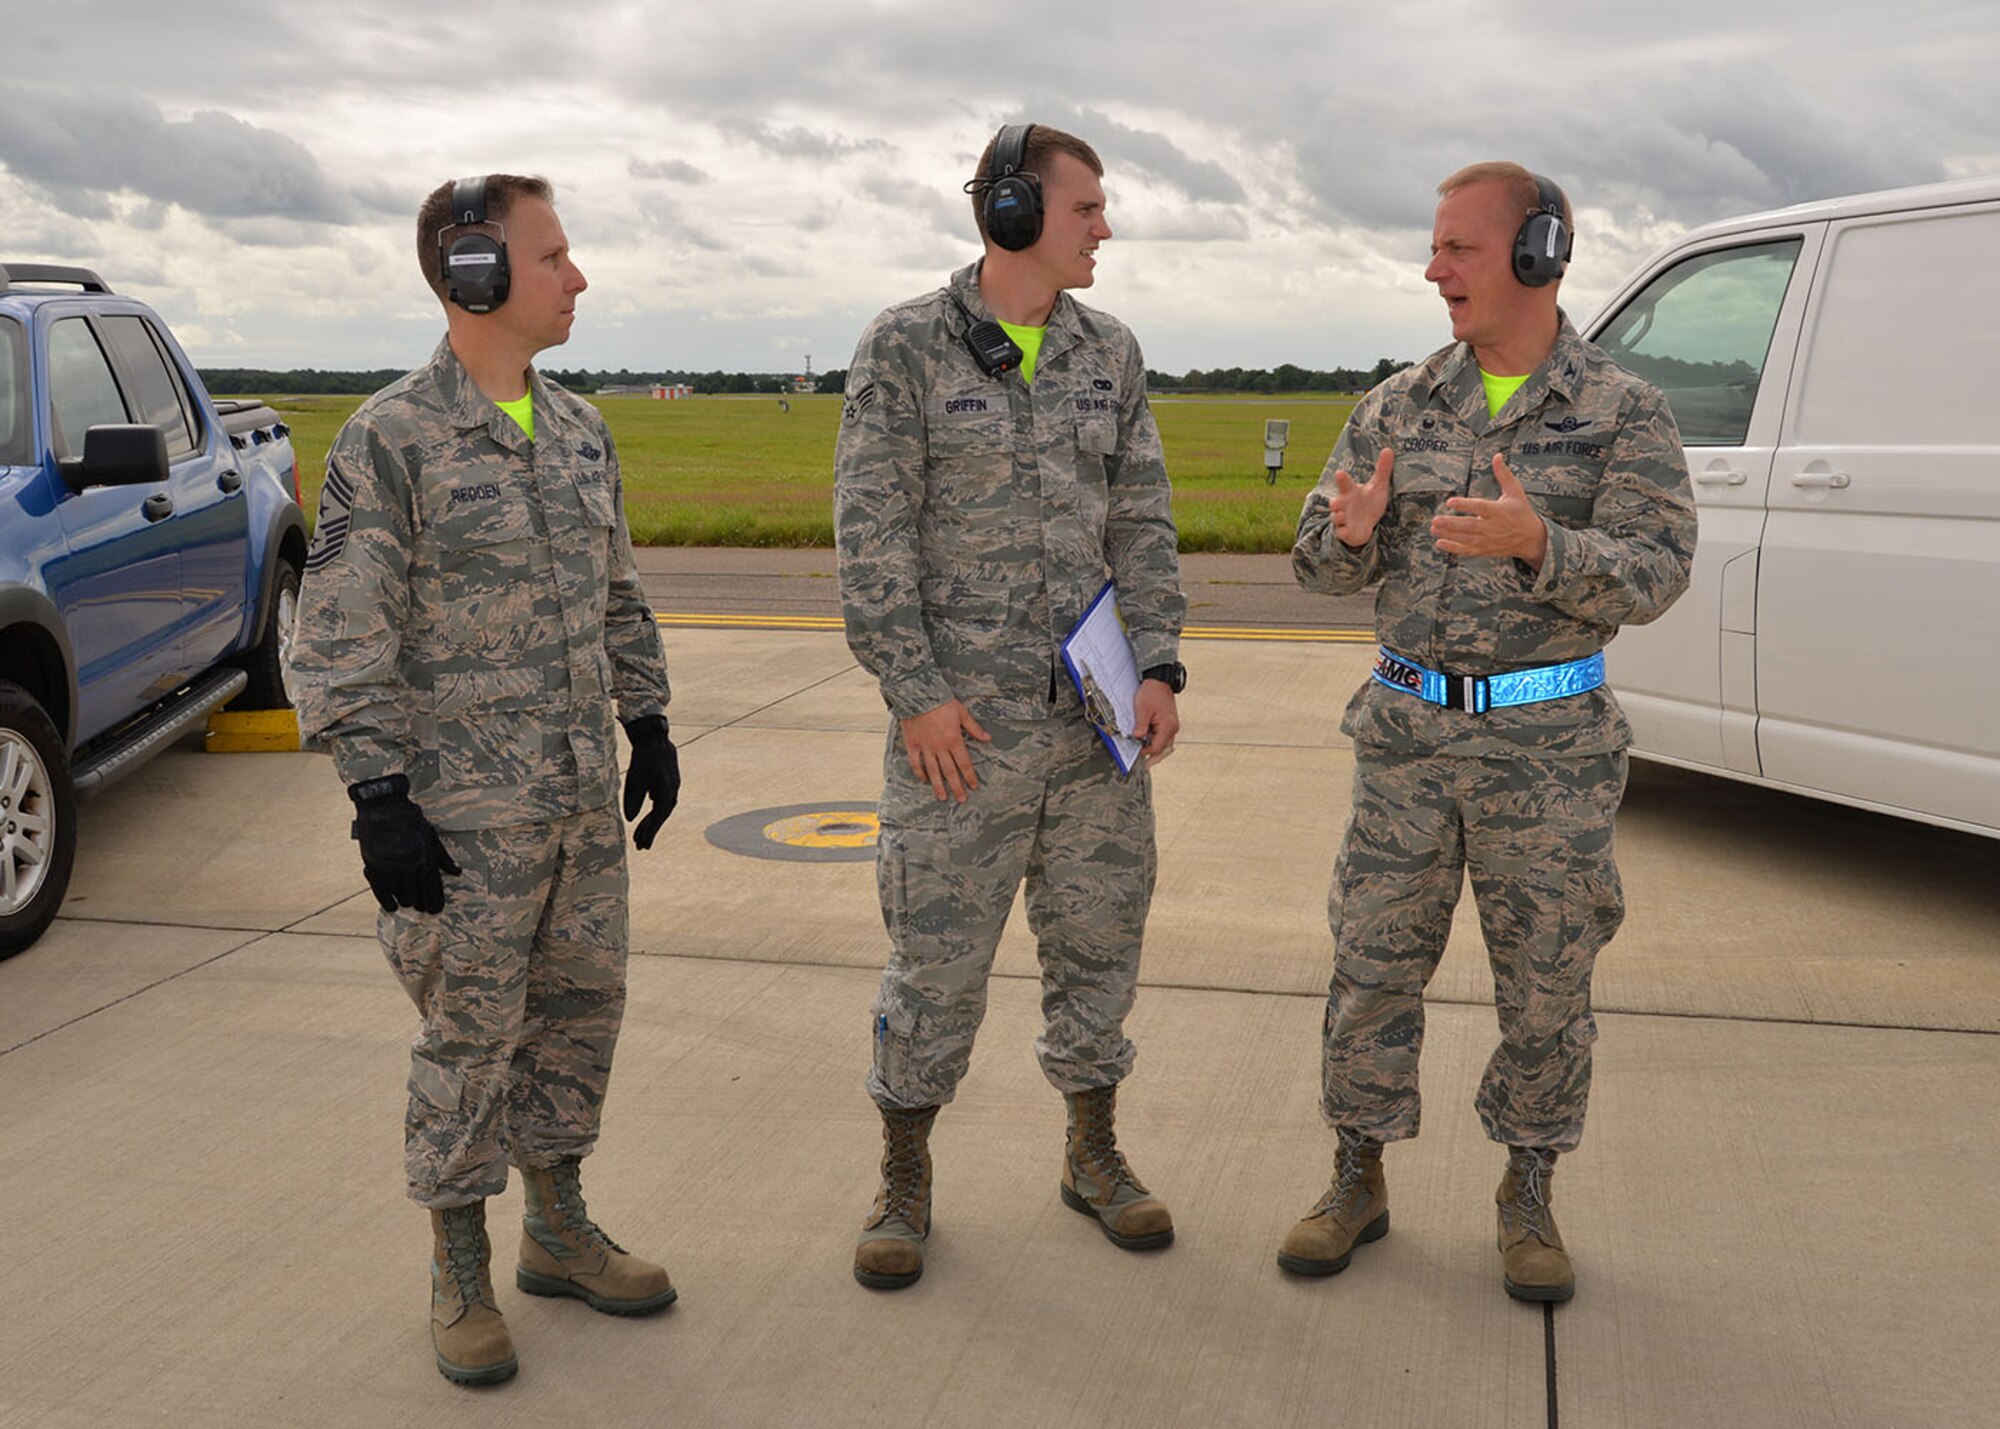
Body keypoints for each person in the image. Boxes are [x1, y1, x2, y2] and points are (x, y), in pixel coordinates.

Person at [285, 174, 682, 1385]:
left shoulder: (576, 428)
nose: (575, 276)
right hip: (460, 822)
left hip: (574, 804)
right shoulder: (390, 437)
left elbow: (616, 588)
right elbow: (339, 629)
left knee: (576, 1018)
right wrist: (375, 796)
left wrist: (648, 714)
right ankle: (457, 1266)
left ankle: (556, 1232)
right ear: (471, 275)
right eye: (552, 254)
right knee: (468, 1039)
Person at [1278, 162, 1695, 1303]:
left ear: (1535, 252)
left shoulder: (1622, 412)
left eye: (1457, 247)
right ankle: (1355, 1172)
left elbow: (1657, 573)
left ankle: (1526, 1190)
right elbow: (1314, 563)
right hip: (1405, 739)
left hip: (1547, 753)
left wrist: (1536, 544)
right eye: (1434, 246)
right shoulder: (1396, 403)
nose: (1432, 270)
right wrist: (1349, 535)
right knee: (1369, 962)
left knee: (1546, 982)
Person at [835, 122, 1187, 1290]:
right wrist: (917, 696)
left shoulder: (1109, 351)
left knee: (1098, 944)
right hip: (960, 739)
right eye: (1086, 209)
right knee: (933, 965)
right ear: (1012, 211)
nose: (1103, 229)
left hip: (1091, 730)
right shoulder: (904, 348)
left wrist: (1159, 666)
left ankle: (1091, 1154)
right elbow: (870, 537)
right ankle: (902, 1178)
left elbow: (1138, 520)